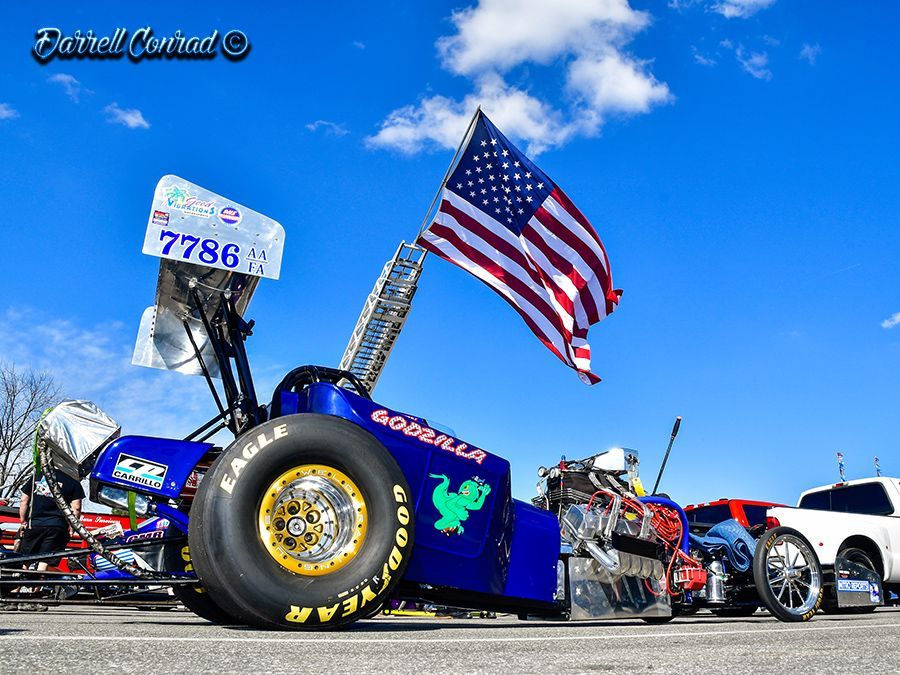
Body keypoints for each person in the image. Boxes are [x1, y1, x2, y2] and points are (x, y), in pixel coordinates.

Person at [10, 470, 84, 611]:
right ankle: (34, 597)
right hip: (57, 526)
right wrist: (72, 526)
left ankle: (13, 595)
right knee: (45, 561)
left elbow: (24, 500)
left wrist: (23, 521)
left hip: (35, 524)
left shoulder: (37, 476)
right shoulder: (73, 481)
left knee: (25, 560)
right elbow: (76, 508)